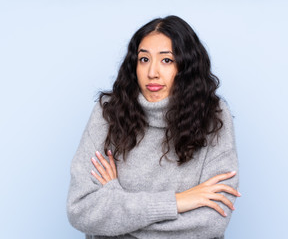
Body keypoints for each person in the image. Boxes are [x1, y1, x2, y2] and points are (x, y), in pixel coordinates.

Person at [67, 15, 240, 239]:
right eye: (144, 59)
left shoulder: (213, 116)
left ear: (186, 66)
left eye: (166, 60)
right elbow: (80, 210)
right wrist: (178, 201)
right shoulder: (108, 112)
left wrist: (116, 204)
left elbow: (212, 222)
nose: (152, 73)